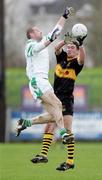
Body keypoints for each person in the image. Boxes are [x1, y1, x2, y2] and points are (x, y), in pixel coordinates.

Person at [16, 6, 75, 145]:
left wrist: (64, 21)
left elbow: (53, 36)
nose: (40, 31)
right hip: (38, 82)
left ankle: (25, 122)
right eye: (37, 30)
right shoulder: (30, 45)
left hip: (41, 82)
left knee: (54, 114)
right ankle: (63, 134)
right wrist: (64, 16)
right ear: (31, 34)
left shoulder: (38, 45)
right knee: (59, 105)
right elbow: (53, 35)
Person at [30, 34, 87, 171]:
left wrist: (81, 44)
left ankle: (70, 161)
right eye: (69, 47)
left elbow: (83, 58)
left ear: (77, 51)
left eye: (73, 47)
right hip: (54, 98)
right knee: (49, 127)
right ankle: (43, 155)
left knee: (67, 131)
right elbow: (56, 48)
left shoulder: (76, 64)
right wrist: (64, 41)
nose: (70, 48)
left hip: (66, 100)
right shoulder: (61, 58)